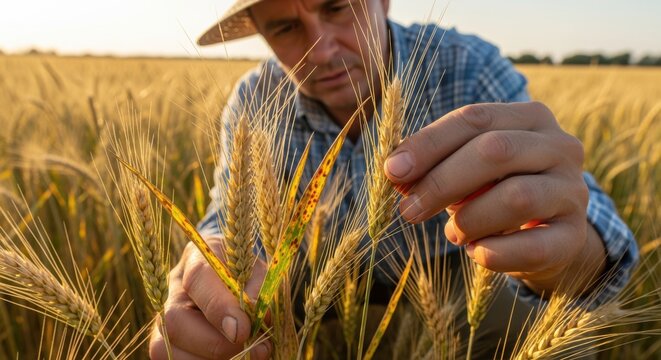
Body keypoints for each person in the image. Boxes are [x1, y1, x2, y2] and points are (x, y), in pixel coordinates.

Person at [149, 0, 638, 359]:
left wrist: (566, 251)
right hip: (307, 281)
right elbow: (225, 219)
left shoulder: (466, 68)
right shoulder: (255, 99)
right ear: (260, 32)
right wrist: (207, 262)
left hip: (455, 275)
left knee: (557, 341)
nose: (321, 49)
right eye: (284, 27)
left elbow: (590, 230)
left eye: (337, 7)